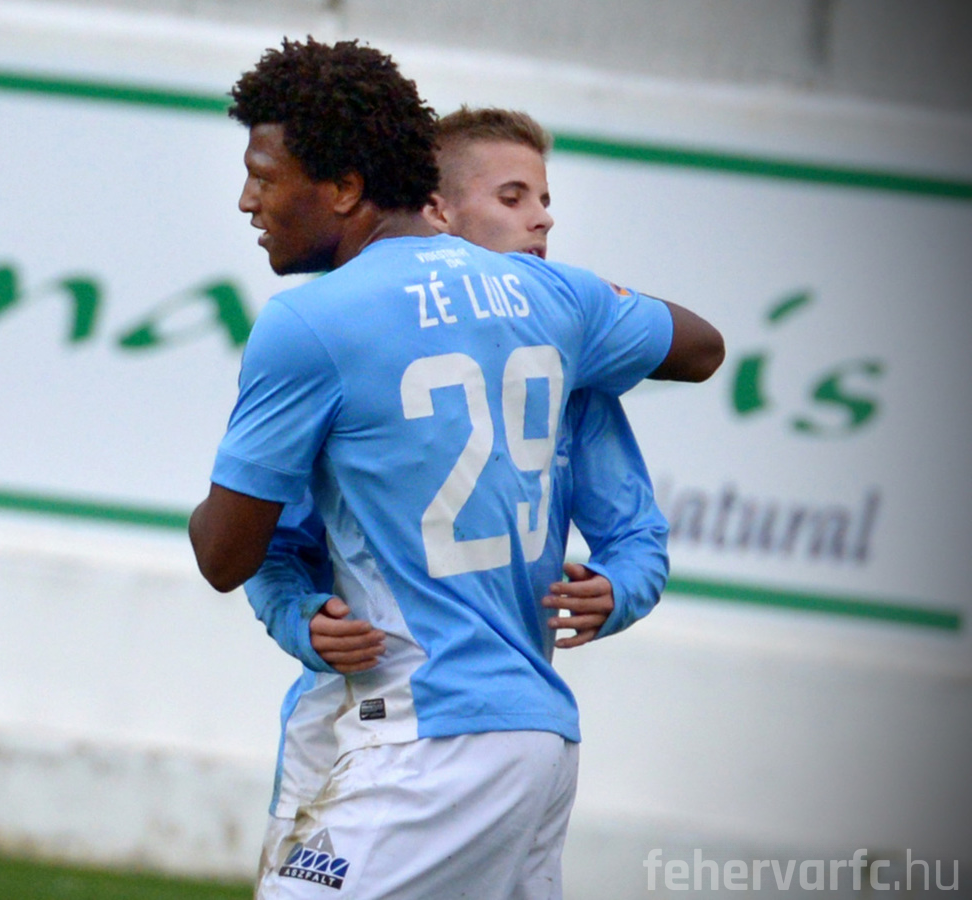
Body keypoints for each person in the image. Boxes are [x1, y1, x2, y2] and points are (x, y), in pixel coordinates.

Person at [188, 39, 722, 897]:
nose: (249, 200)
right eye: (513, 196)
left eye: (264, 176)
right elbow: (701, 347)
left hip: (420, 738)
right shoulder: (554, 297)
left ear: (346, 188)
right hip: (533, 738)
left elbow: (224, 556)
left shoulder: (309, 323)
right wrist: (584, 308)